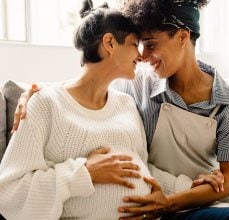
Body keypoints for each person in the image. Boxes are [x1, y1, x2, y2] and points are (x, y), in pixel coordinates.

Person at [8, 0, 229, 220]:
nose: (142, 56)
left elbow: (228, 180)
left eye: (150, 44)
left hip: (199, 193)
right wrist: (35, 92)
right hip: (163, 200)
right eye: (137, 45)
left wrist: (176, 198)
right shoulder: (138, 84)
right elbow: (87, 83)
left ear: (183, 37)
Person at [0, 1, 152, 219]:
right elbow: (9, 193)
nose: (140, 56)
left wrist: (194, 184)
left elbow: (143, 169)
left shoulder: (126, 103)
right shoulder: (45, 103)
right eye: (133, 44)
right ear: (109, 43)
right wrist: (83, 173)